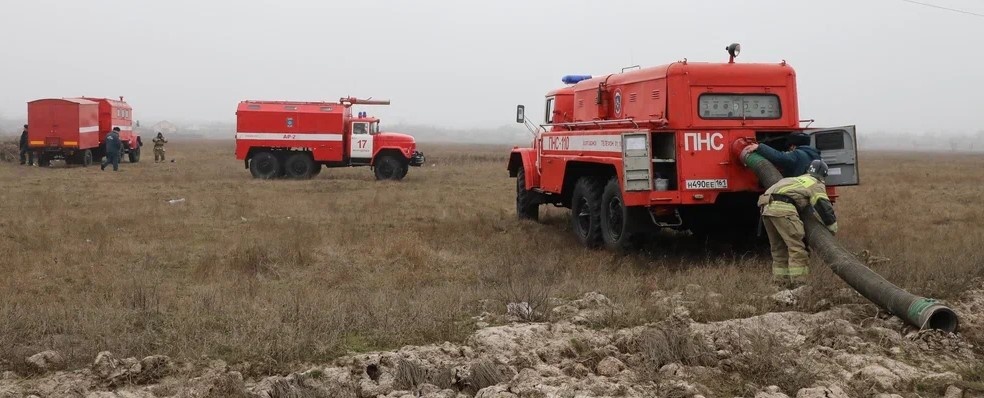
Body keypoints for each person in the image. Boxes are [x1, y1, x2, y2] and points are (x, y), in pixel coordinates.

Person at [758, 160, 838, 288]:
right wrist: (832, 227)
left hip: (766, 209)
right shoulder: (815, 183)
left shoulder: (795, 179)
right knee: (797, 248)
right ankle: (799, 284)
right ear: (823, 175)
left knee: (778, 250)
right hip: (783, 209)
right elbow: (823, 207)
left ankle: (780, 283)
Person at [746, 132, 821, 177]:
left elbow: (779, 157)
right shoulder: (815, 156)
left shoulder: (798, 154)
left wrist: (759, 147)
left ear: (793, 146)